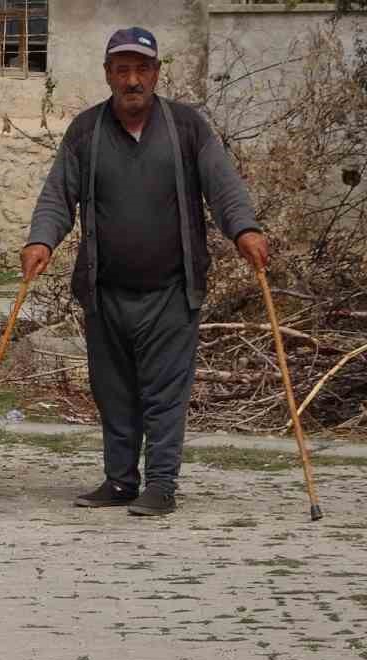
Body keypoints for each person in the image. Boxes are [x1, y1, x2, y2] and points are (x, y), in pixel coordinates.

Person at [23, 27, 268, 517]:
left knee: (164, 392)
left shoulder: (187, 127)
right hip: (105, 291)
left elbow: (223, 187)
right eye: (123, 70)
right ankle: (120, 481)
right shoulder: (86, 131)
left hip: (171, 291)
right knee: (113, 392)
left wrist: (244, 230)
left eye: (142, 69)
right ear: (108, 74)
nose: (132, 80)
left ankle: (161, 483)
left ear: (156, 73)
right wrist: (40, 239)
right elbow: (58, 196)